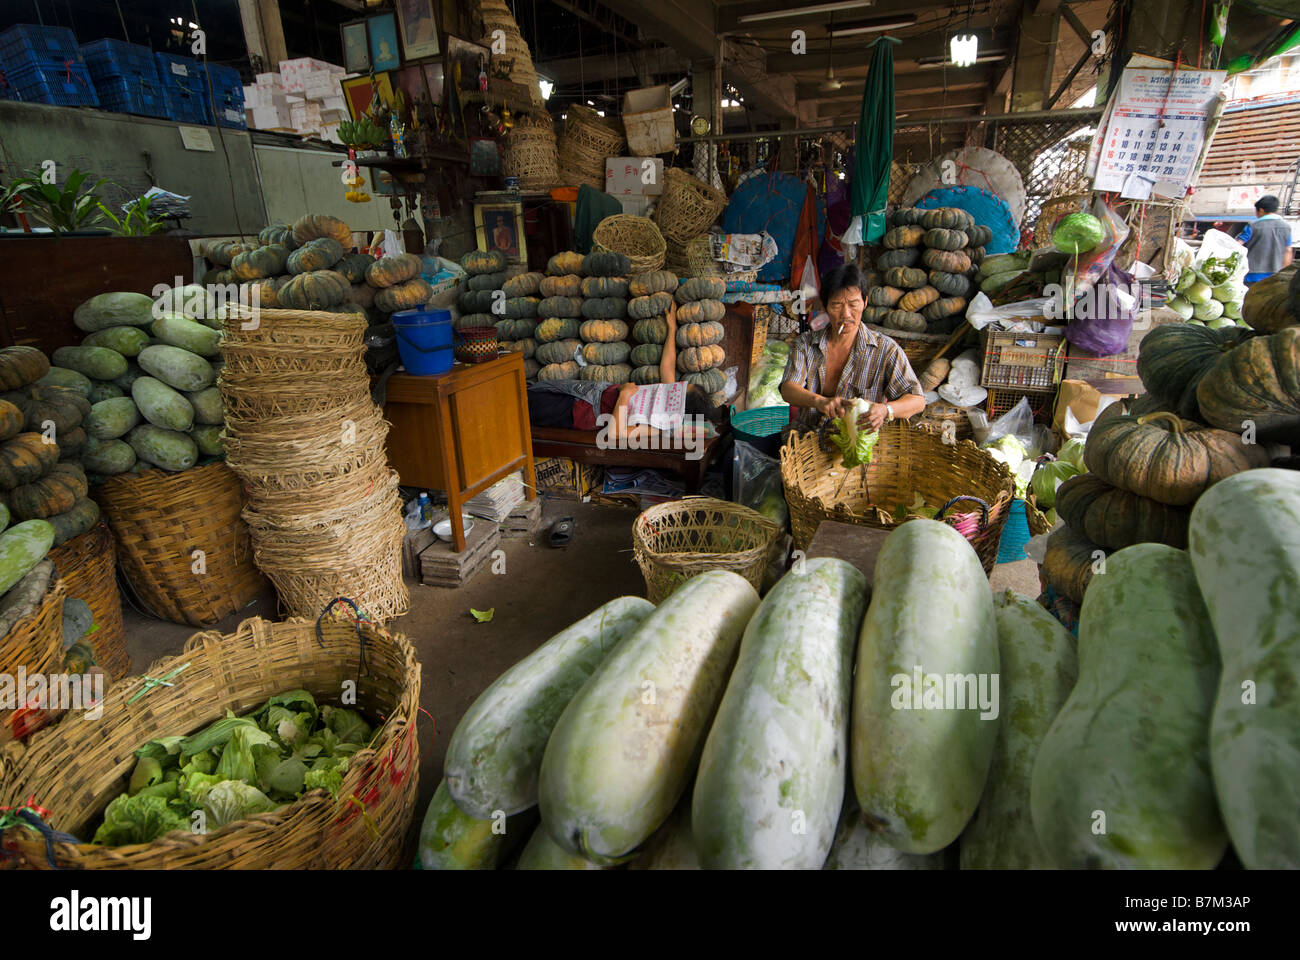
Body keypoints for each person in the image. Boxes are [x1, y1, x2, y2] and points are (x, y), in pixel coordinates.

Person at [526, 300, 727, 443]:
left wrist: (624, 396)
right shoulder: (669, 395)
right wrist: (672, 329)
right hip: (586, 391)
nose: (675, 388)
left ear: (679, 410)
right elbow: (668, 365)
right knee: (532, 391)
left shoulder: (659, 426)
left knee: (525, 408)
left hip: (579, 411)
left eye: (680, 392)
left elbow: (616, 433)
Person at [779, 263, 926, 430]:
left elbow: (918, 400)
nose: (846, 314)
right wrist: (820, 401)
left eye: (853, 304)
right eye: (836, 305)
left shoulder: (886, 349)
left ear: (865, 302)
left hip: (857, 445)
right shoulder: (805, 344)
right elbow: (788, 389)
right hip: (808, 441)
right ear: (825, 306)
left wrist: (886, 410)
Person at [1242, 195, 1294, 285]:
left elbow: (1238, 245)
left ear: (1261, 210)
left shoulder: (1253, 226)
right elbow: (1288, 250)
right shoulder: (1286, 227)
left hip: (1252, 275)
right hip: (1274, 275)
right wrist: (1283, 273)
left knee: (1250, 298)